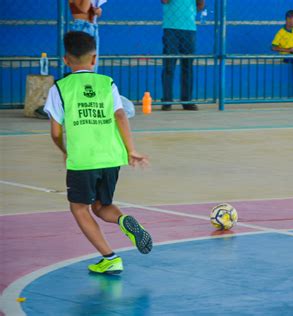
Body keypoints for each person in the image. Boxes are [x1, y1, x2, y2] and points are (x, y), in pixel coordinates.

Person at [44, 31, 153, 274]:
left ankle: (110, 257)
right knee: (102, 205)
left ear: (65, 60)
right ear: (94, 59)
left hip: (82, 159)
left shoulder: (59, 88)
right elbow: (121, 115)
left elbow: (54, 131)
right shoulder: (107, 83)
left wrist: (64, 149)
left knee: (79, 207)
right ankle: (124, 221)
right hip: (111, 157)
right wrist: (130, 150)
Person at [161, 0, 205, 111]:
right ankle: (167, 101)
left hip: (189, 29)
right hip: (171, 28)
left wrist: (193, 11)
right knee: (169, 66)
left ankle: (187, 101)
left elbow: (200, 4)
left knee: (187, 66)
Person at [69, 0, 104, 72]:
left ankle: (90, 81)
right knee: (82, 62)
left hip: (92, 26)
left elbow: (91, 9)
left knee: (93, 64)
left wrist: (97, 10)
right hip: (82, 26)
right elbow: (84, 8)